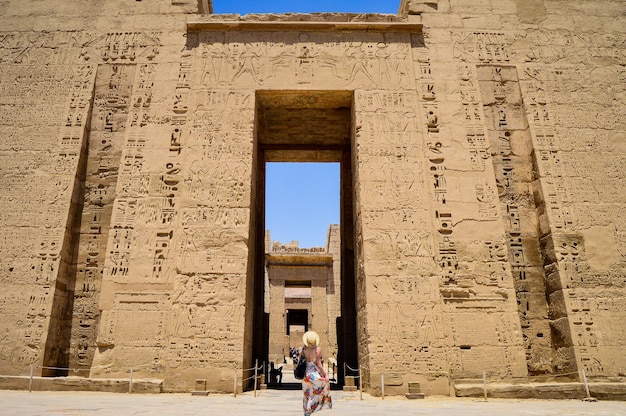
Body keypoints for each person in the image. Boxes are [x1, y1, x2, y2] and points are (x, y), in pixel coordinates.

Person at [300, 331, 332, 416]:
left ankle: (306, 412)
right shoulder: (317, 349)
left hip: (304, 373)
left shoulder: (302, 349)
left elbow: (300, 362)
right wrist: (325, 374)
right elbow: (318, 363)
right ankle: (313, 408)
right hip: (313, 372)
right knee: (321, 388)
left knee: (306, 394)